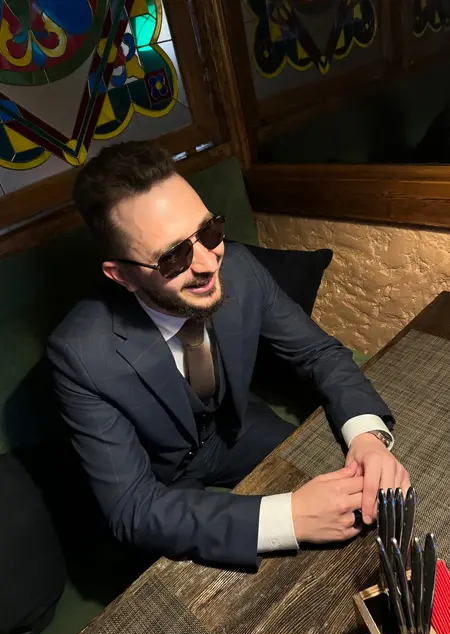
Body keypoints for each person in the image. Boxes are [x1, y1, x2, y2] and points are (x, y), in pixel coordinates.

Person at [47, 141, 410, 569]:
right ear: (122, 275)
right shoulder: (79, 354)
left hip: (237, 429)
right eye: (172, 257)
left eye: (208, 231)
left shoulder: (239, 268)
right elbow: (132, 507)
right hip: (163, 484)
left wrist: (368, 438)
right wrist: (288, 517)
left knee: (360, 499)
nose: (208, 263)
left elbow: (319, 353)